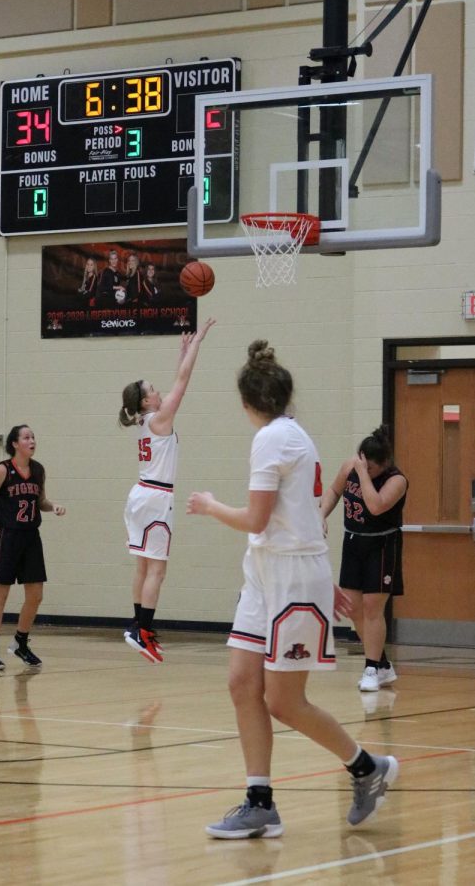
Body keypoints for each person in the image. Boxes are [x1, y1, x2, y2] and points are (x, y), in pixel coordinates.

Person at [186, 340, 398, 839]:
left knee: (283, 700)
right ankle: (260, 800)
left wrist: (211, 505)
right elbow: (290, 518)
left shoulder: (273, 440)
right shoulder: (287, 434)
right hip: (268, 571)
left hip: (291, 575)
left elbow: (257, 517)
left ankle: (368, 767)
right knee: (242, 682)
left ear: (246, 403)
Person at [119, 318, 216, 663]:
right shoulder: (158, 420)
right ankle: (142, 630)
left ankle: (136, 626)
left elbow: (176, 385)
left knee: (144, 568)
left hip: (141, 494)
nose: (159, 392)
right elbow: (183, 383)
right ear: (146, 402)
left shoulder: (146, 421)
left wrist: (184, 353)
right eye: (153, 390)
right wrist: (198, 344)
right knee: (157, 571)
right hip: (156, 498)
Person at [321, 425, 408, 693]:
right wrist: (321, 514)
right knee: (352, 607)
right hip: (353, 542)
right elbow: (335, 491)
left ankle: (371, 667)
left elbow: (375, 505)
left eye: (370, 468)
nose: (364, 470)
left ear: (384, 464)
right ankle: (382, 664)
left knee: (372, 606)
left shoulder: (396, 480)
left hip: (382, 544)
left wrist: (362, 474)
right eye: (362, 465)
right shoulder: (351, 467)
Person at [0, 425, 66, 672]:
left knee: (36, 595)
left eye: (33, 436)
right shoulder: (2, 470)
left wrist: (53, 506)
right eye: (26, 437)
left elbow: (40, 501)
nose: (32, 440)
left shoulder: (38, 470)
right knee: (0, 594)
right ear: (15, 444)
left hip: (31, 537)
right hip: (7, 536)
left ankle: (20, 643)